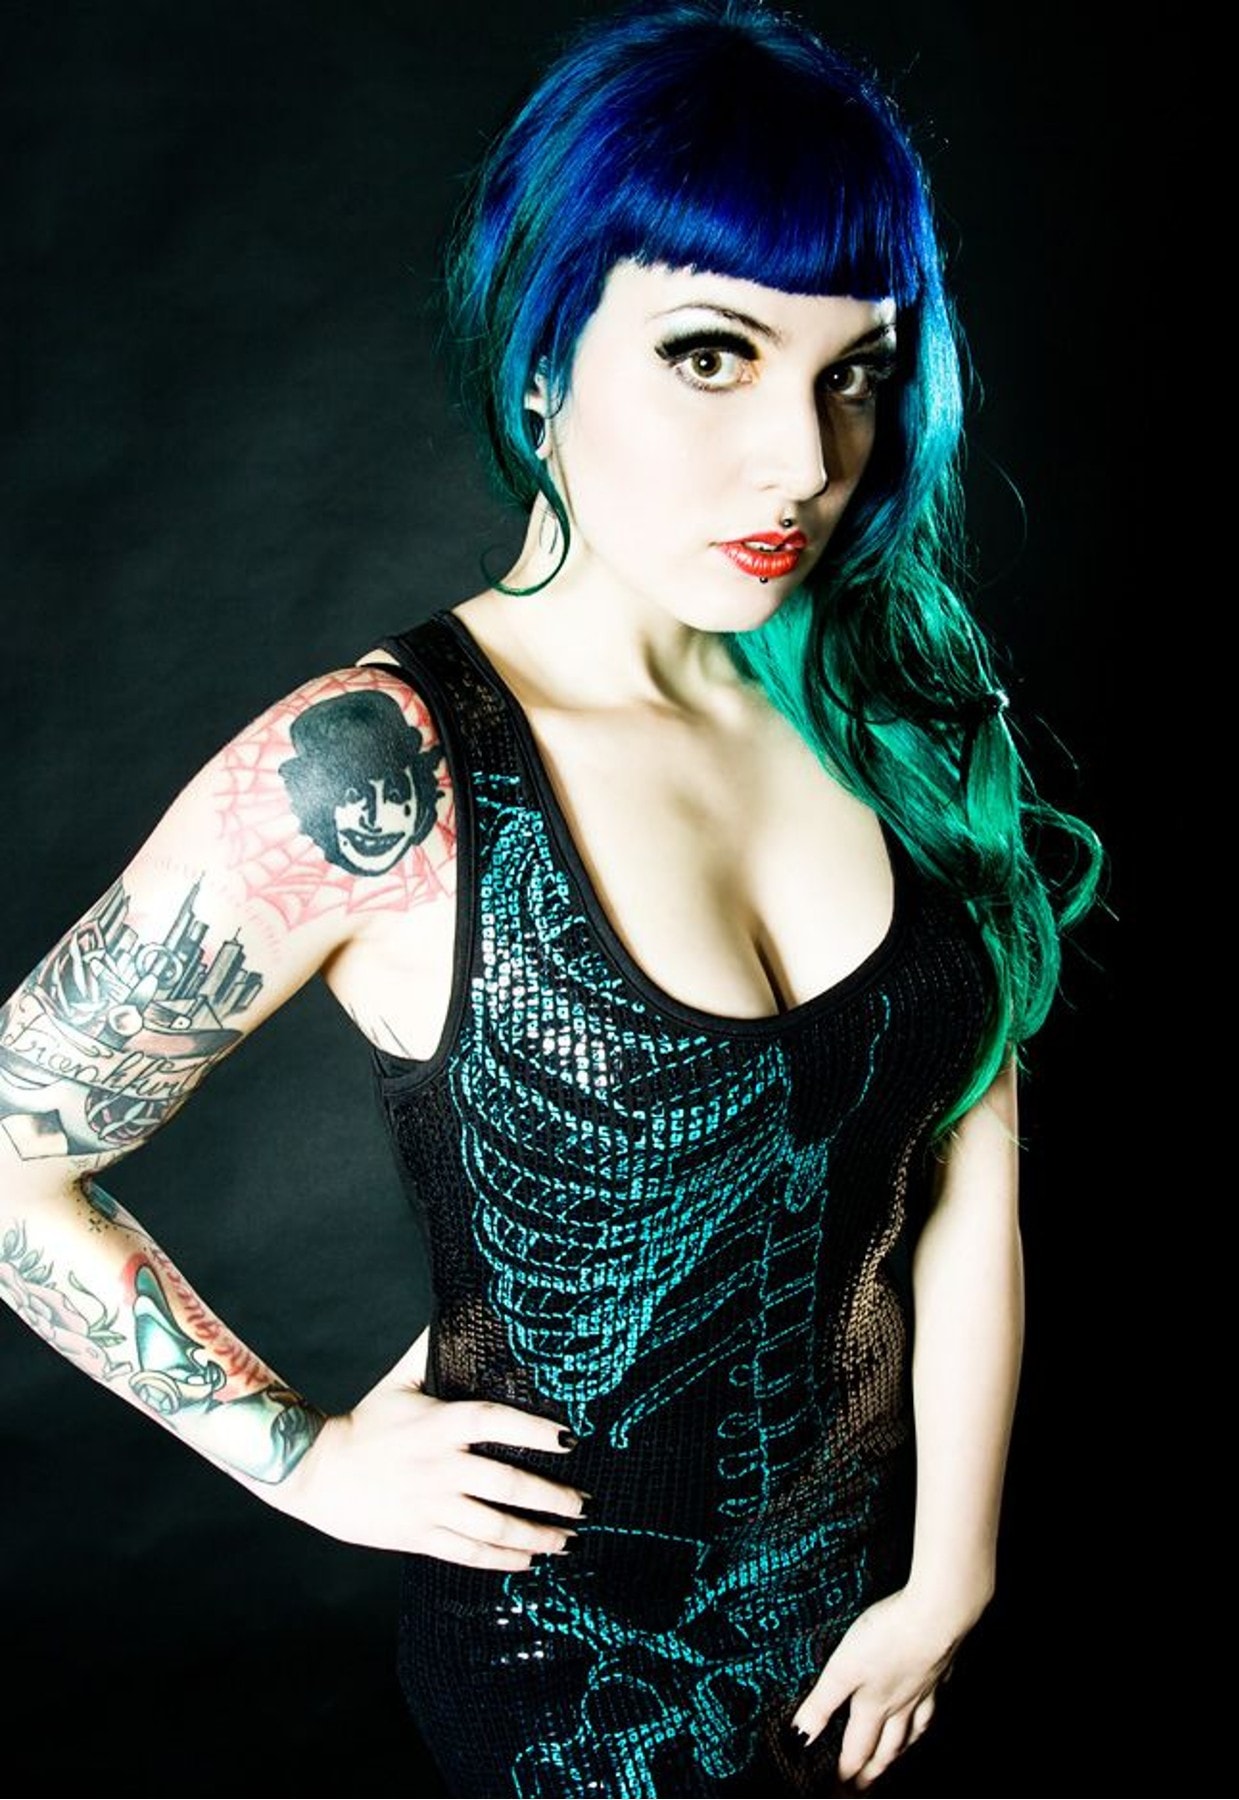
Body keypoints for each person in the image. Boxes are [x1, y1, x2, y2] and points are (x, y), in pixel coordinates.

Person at [0, 1, 1102, 1795]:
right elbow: (8, 1149)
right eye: (712, 354)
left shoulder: (889, 711)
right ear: (540, 360)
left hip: (865, 1648)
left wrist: (949, 1580)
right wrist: (304, 1460)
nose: (803, 459)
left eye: (855, 371)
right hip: (567, 1694)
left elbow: (963, 1168)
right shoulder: (380, 770)